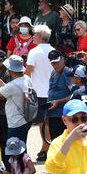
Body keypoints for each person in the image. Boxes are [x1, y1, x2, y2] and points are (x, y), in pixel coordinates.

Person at [0, 55, 34, 143]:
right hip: (26, 119)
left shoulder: (14, 85)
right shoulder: (26, 79)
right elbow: (8, 89)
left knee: (14, 149)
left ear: (10, 70)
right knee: (22, 146)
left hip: (16, 122)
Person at [25, 25, 54, 160]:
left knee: (42, 122)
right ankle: (47, 146)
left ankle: (46, 147)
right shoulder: (53, 51)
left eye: (34, 33)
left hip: (40, 92)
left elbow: (27, 73)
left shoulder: (34, 52)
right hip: (52, 92)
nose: (32, 35)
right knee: (47, 122)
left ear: (40, 36)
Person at [45, 51, 74, 143]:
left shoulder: (67, 72)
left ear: (62, 59)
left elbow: (74, 95)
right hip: (53, 115)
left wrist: (58, 102)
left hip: (63, 116)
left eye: (57, 62)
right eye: (52, 63)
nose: (55, 65)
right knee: (55, 142)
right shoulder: (53, 72)